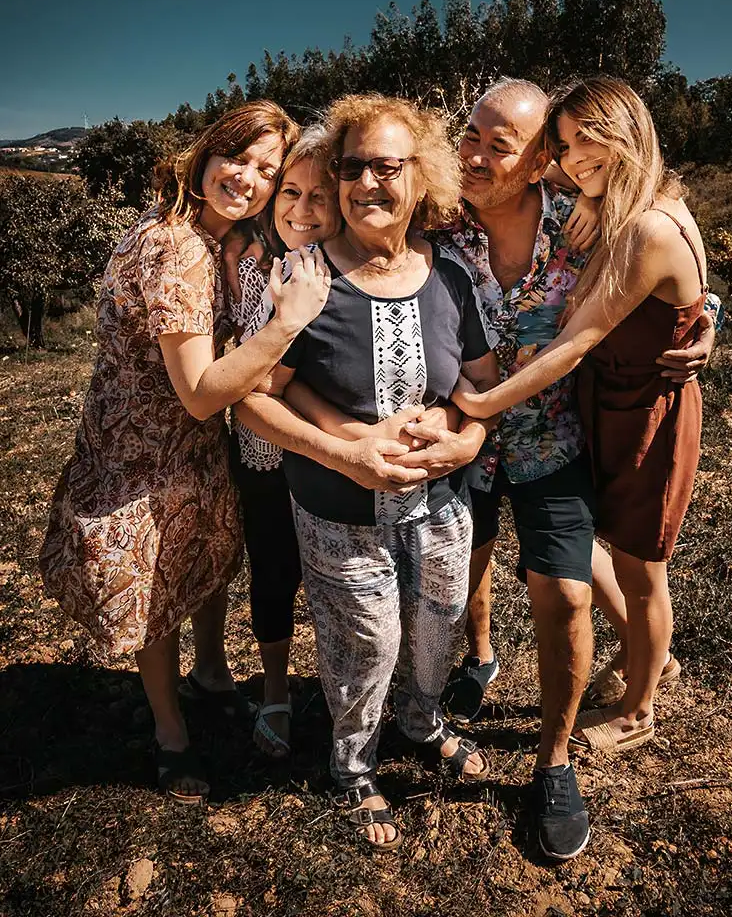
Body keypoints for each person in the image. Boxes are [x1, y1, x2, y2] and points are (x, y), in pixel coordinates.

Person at [425, 76, 715, 861]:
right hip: (464, 444)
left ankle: (552, 763)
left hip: (555, 437)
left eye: (500, 145)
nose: (476, 155)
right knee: (471, 567)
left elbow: (664, 263)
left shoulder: (580, 220)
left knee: (562, 595)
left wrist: (705, 313)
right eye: (471, 136)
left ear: (535, 162)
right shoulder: (436, 222)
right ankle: (480, 660)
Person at [40, 102, 332, 805]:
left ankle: (210, 675)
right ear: (206, 154)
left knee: (201, 558)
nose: (250, 179)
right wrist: (289, 321)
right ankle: (171, 737)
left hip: (183, 446)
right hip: (145, 449)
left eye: (268, 171)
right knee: (155, 591)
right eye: (240, 159)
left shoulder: (207, 236)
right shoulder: (176, 248)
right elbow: (202, 391)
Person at [235, 94, 500, 853]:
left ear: (423, 179)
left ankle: (421, 721)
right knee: (365, 644)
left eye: (388, 166)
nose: (367, 183)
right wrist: (342, 453)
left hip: (441, 508)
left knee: (434, 627)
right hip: (336, 515)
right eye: (353, 167)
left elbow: (479, 388)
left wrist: (466, 438)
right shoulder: (307, 278)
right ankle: (352, 764)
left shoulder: (450, 277)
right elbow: (252, 403)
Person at [227, 124, 342, 759]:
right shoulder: (257, 272)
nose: (301, 210)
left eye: (318, 195)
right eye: (289, 192)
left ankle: (345, 682)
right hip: (269, 457)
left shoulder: (362, 268)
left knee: (341, 581)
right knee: (274, 571)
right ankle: (275, 688)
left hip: (335, 463)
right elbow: (255, 384)